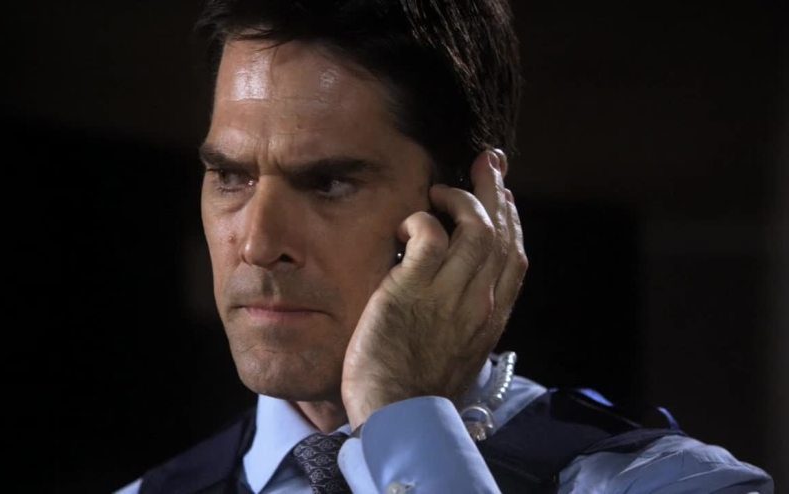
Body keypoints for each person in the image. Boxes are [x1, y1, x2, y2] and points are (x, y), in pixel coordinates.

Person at [117, 0, 774, 492]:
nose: (259, 244)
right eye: (231, 176)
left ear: (469, 208)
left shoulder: (673, 483)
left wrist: (401, 414)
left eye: (329, 182)